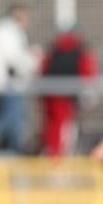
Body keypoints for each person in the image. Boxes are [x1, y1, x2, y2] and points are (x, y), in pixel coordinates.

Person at [0, 4, 41, 153]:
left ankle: (14, 156)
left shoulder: (10, 32)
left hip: (13, 84)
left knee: (16, 124)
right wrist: (32, 59)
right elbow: (14, 60)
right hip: (8, 84)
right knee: (11, 120)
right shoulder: (7, 32)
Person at [40, 26, 97, 157]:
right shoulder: (79, 51)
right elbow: (87, 71)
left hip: (51, 95)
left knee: (52, 126)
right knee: (63, 127)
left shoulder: (54, 50)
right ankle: (57, 156)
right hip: (65, 97)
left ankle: (54, 153)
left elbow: (44, 70)